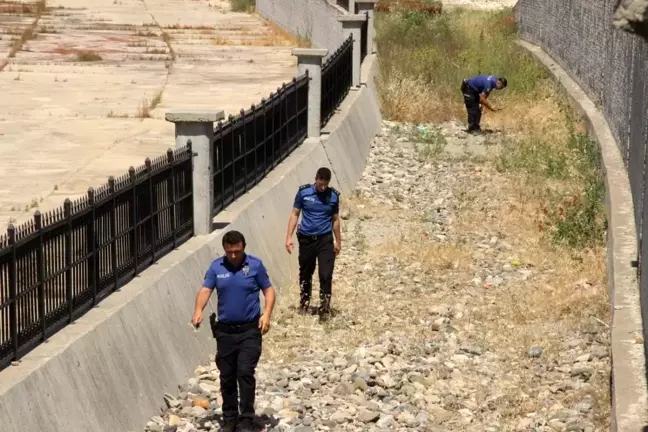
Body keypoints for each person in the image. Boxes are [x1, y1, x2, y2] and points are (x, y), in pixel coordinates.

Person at [191, 230, 276, 432]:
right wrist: (198, 310)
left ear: (243, 247)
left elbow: (268, 290)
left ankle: (247, 417)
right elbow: (205, 290)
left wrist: (267, 313)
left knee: (245, 372)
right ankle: (230, 417)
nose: (234, 256)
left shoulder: (255, 265)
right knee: (227, 374)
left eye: (237, 251)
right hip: (225, 332)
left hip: (250, 330)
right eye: (230, 252)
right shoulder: (216, 267)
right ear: (225, 250)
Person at [285, 167, 341, 323]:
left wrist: (338, 241)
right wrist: (288, 237)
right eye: (320, 183)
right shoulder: (304, 193)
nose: (322, 187)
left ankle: (325, 308)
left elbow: (335, 220)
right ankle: (304, 302)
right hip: (306, 239)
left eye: (325, 184)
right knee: (306, 272)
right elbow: (295, 214)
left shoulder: (333, 196)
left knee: (325, 274)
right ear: (316, 178)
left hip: (325, 240)